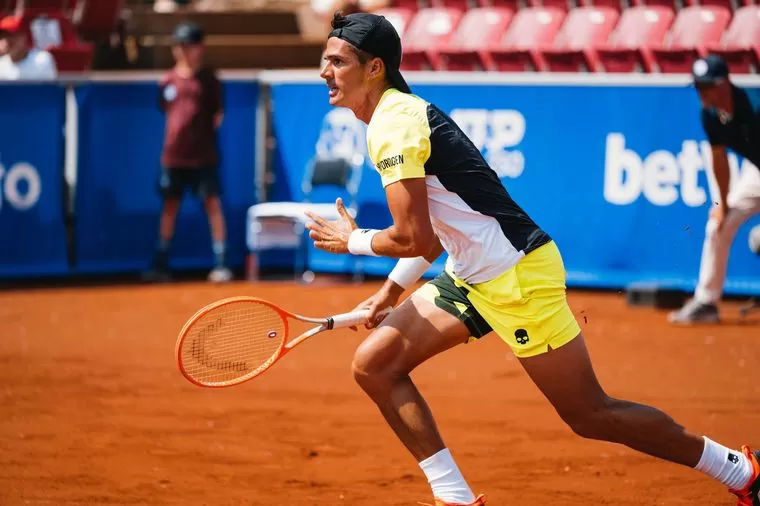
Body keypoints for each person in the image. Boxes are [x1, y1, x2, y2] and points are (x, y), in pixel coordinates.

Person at [305, 13, 760, 506]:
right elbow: (435, 240)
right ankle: (454, 497)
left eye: (337, 61)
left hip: (517, 276)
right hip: (472, 272)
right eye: (324, 61)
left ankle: (738, 470)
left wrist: (352, 240)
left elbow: (413, 236)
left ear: (374, 68)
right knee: (376, 365)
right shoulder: (395, 116)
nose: (325, 71)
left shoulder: (394, 123)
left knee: (589, 414)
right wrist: (389, 292)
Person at [669, 55, 760, 324]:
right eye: (698, 86)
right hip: (756, 171)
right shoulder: (708, 113)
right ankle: (707, 302)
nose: (701, 92)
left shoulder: (755, 106)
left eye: (706, 86)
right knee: (717, 224)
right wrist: (723, 205)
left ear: (724, 84)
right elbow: (719, 159)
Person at [144, 21, 232, 283]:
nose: (182, 51)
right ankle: (160, 263)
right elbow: (165, 109)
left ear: (199, 48)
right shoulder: (167, 81)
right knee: (169, 206)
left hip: (204, 156)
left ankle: (221, 262)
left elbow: (217, 115)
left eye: (188, 46)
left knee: (212, 204)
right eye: (178, 46)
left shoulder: (210, 80)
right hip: (172, 157)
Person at [0, 15, 57, 81]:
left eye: (11, 36)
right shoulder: (1, 65)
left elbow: (50, 89)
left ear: (23, 37)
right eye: (2, 36)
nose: (6, 41)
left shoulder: (42, 60)